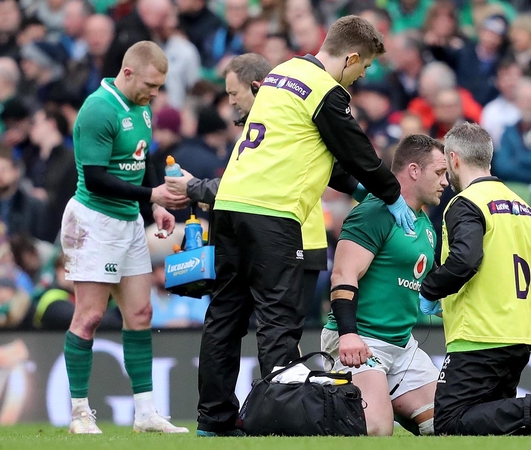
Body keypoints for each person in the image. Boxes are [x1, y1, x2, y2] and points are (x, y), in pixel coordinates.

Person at [196, 16, 416, 437]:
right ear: (351, 57)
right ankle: (276, 421)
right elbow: (357, 152)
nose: (363, 75)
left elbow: (316, 155)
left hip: (229, 204)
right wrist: (391, 195)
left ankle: (213, 421)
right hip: (273, 213)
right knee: (278, 321)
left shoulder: (283, 73)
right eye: (364, 67)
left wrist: (359, 190)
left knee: (225, 315)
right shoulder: (326, 91)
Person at [417, 123, 531, 436]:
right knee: (495, 429)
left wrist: (431, 290)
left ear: (454, 159)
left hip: (479, 333)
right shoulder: (523, 206)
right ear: (489, 159)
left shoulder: (466, 203)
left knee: (449, 422)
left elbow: (464, 261)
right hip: (518, 334)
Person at [165, 52, 364, 328]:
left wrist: (194, 187)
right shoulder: (267, 125)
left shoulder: (279, 127)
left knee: (277, 330)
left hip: (293, 240)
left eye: (234, 93)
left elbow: (248, 188)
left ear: (257, 86)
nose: (231, 101)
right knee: (267, 330)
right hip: (275, 239)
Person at [59, 41, 189, 434]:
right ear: (128, 72)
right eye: (151, 84)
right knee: (90, 317)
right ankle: (80, 413)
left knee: (141, 315)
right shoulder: (99, 108)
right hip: (94, 222)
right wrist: (152, 195)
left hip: (129, 221)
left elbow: (142, 158)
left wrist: (155, 208)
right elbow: (96, 177)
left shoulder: (142, 107)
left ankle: (145, 414)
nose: (155, 93)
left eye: (160, 86)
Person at [320, 135, 447, 436]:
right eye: (439, 173)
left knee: (446, 425)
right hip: (359, 340)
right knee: (377, 428)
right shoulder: (374, 212)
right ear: (414, 171)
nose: (446, 182)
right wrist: (348, 335)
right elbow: (342, 275)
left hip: (402, 346)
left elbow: (421, 282)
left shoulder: (424, 223)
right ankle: (322, 399)